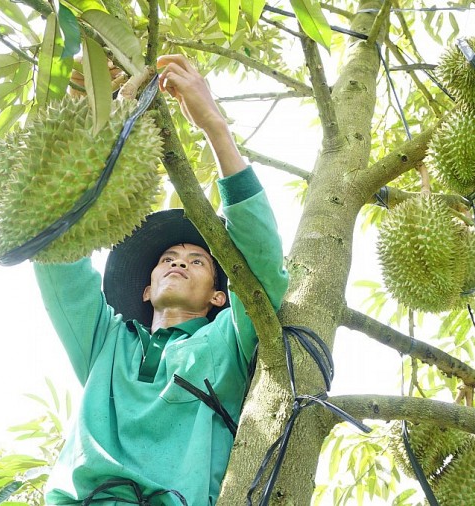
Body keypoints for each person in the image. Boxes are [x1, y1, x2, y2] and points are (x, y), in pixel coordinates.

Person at [33, 54, 289, 505]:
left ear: (218, 296)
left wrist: (213, 124)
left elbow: (262, 265)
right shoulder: (106, 343)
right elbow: (57, 257)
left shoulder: (227, 342)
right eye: (168, 258)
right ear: (147, 289)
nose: (179, 262)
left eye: (197, 261)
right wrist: (81, 112)